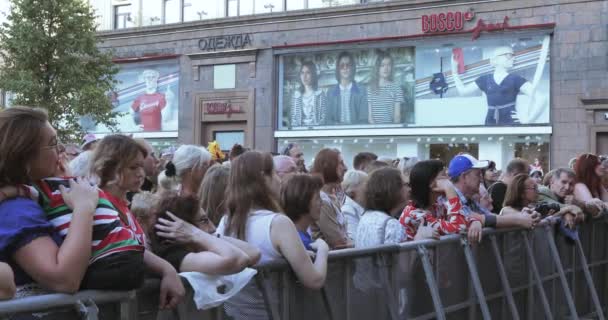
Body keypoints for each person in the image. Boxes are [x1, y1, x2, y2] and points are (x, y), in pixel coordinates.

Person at [217, 151, 329, 320]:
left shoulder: (225, 222)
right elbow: (314, 280)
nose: (279, 180)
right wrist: (323, 249)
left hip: (234, 314)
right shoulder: (278, 223)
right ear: (264, 178)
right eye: (275, 173)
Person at [0, 107, 98, 294]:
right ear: (24, 155)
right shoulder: (16, 210)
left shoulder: (20, 195)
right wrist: (84, 209)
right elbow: (63, 279)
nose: (61, 149)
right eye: (53, 143)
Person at [91, 134, 184, 308]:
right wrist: (167, 268)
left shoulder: (122, 203)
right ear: (109, 168)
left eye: (141, 166)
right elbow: (125, 248)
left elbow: (136, 247)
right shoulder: (98, 203)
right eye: (133, 167)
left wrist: (167, 269)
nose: (141, 173)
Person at [151, 192, 258, 275]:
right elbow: (239, 260)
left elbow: (253, 253)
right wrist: (195, 233)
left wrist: (201, 235)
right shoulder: (174, 255)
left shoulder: (196, 243)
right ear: (183, 227)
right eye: (203, 220)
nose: (213, 228)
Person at [451, 46, 543, 125]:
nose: (512, 58)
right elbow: (463, 91)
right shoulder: (485, 79)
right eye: (508, 55)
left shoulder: (515, 79)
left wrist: (529, 120)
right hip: (490, 122)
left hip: (510, 123)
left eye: (513, 56)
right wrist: (454, 72)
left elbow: (541, 98)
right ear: (496, 59)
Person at [399, 160, 482, 242]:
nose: (448, 180)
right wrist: (450, 191)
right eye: (443, 175)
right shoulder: (413, 215)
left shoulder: (437, 207)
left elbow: (463, 218)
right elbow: (459, 228)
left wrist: (475, 222)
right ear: (431, 183)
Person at [310, 148, 352, 249]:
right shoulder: (321, 200)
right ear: (328, 167)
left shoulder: (331, 196)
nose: (345, 168)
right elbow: (338, 242)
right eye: (341, 163)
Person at [355, 167, 407, 247]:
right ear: (395, 190)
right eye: (405, 185)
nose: (409, 189)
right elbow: (398, 258)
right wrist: (419, 240)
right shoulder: (392, 225)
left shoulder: (366, 216)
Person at [281, 174, 324, 250]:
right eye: (317, 198)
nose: (322, 203)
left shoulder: (297, 235)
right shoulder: (300, 242)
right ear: (304, 200)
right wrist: (323, 249)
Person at [326, 51, 368, 125]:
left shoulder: (361, 90)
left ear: (352, 68)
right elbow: (327, 120)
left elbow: (364, 120)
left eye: (348, 65)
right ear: (338, 69)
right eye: (342, 66)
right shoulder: (331, 92)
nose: (345, 68)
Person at [367, 51, 405, 124]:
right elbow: (370, 116)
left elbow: (397, 117)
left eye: (388, 65)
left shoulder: (396, 88)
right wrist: (375, 130)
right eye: (382, 65)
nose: (386, 68)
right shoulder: (370, 88)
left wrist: (391, 131)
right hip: (374, 131)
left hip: (390, 131)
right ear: (378, 68)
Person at [291, 61, 326, 127]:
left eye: (308, 73)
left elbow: (323, 118)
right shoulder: (296, 96)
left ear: (313, 74)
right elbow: (294, 120)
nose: (304, 76)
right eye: (302, 73)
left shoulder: (320, 94)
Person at [341, 170, 368, 240]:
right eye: (366, 185)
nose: (369, 189)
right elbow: (355, 239)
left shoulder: (362, 207)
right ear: (352, 190)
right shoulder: (348, 211)